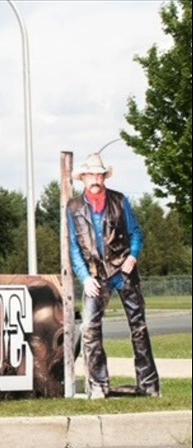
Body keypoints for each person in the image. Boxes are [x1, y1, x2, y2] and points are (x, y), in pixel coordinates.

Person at [66, 153, 160, 400]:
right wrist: (85, 278)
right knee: (89, 328)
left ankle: (149, 384)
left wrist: (133, 256)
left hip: (123, 272)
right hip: (96, 275)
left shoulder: (119, 200)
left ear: (104, 177)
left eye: (99, 175)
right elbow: (75, 246)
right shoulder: (73, 207)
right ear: (83, 179)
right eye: (90, 175)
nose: (95, 179)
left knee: (138, 326)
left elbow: (136, 233)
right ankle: (98, 385)